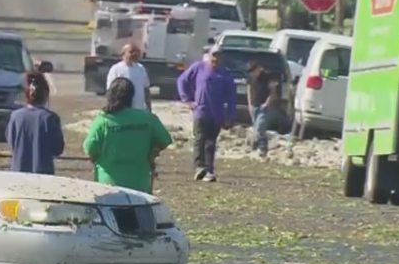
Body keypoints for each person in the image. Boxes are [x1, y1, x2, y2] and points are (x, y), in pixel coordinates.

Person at [83, 77, 173, 193]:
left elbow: (90, 151)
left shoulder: (102, 121)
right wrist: (152, 153)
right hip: (140, 184)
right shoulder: (147, 118)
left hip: (108, 185)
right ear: (131, 96)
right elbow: (164, 140)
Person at [177, 49, 237, 182]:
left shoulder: (225, 75)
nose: (215, 59)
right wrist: (187, 100)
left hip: (216, 114)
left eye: (218, 57)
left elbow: (231, 98)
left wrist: (230, 116)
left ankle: (209, 170)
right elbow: (182, 80)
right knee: (199, 139)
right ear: (209, 56)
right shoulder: (199, 68)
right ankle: (199, 167)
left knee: (211, 142)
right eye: (213, 56)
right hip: (201, 111)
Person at [6, 71, 64, 175]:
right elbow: (57, 149)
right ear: (46, 94)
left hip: (18, 172)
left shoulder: (15, 116)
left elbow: (11, 142)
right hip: (43, 173)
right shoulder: (50, 118)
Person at [247, 62, 284, 158]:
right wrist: (250, 103)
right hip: (254, 105)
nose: (252, 73)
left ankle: (263, 147)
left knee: (260, 126)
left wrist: (266, 104)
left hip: (265, 106)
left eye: (253, 70)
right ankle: (255, 145)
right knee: (256, 127)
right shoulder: (251, 78)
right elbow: (249, 89)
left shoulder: (268, 77)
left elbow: (273, 93)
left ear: (259, 68)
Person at [105, 44, 152, 111]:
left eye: (136, 52)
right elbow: (110, 91)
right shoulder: (116, 69)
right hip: (122, 111)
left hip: (138, 109)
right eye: (131, 52)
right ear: (123, 53)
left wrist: (149, 108)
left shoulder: (140, 68)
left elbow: (146, 90)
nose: (134, 54)